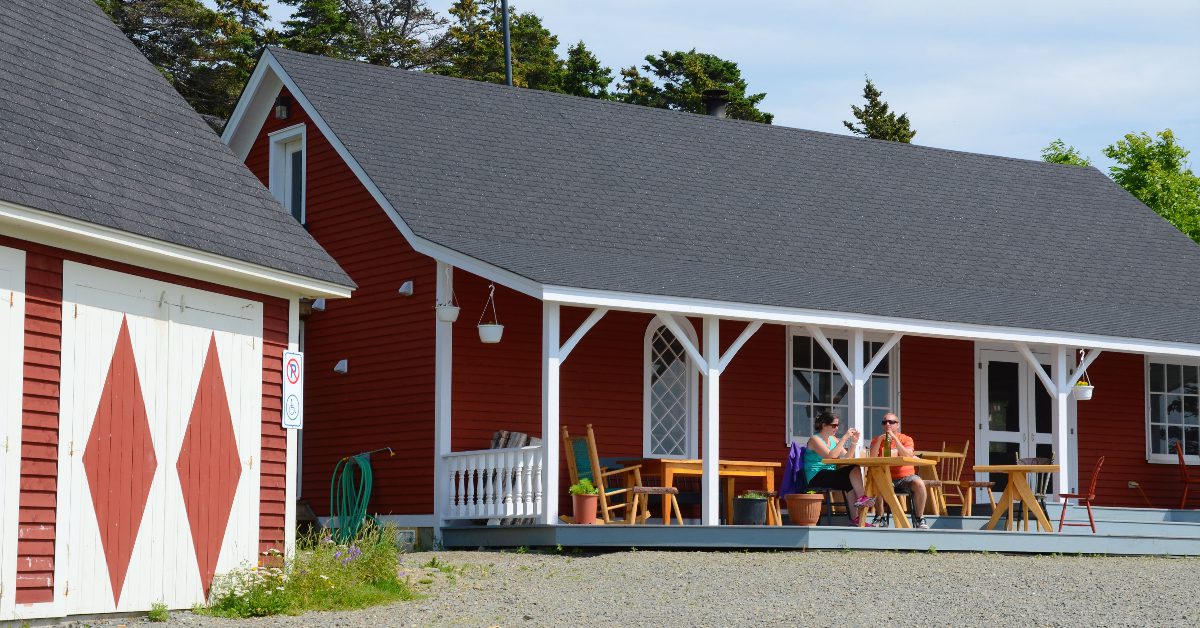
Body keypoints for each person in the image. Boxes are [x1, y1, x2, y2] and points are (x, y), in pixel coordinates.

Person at [804, 410, 875, 526]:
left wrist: (853, 443)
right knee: (853, 470)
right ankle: (862, 498)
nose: (836, 428)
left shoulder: (833, 439)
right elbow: (830, 455)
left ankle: (856, 517)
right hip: (816, 475)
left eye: (837, 425)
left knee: (850, 478)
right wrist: (844, 438)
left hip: (829, 474)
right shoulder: (815, 439)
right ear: (824, 425)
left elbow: (846, 458)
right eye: (834, 425)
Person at [868, 412, 929, 529]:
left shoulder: (906, 439)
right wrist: (881, 439)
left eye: (891, 422)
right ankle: (879, 516)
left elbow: (907, 454)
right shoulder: (877, 440)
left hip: (905, 478)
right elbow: (872, 457)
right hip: (886, 477)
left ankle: (920, 518)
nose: (888, 424)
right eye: (884, 422)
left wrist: (895, 439)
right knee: (876, 482)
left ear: (898, 425)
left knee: (919, 483)